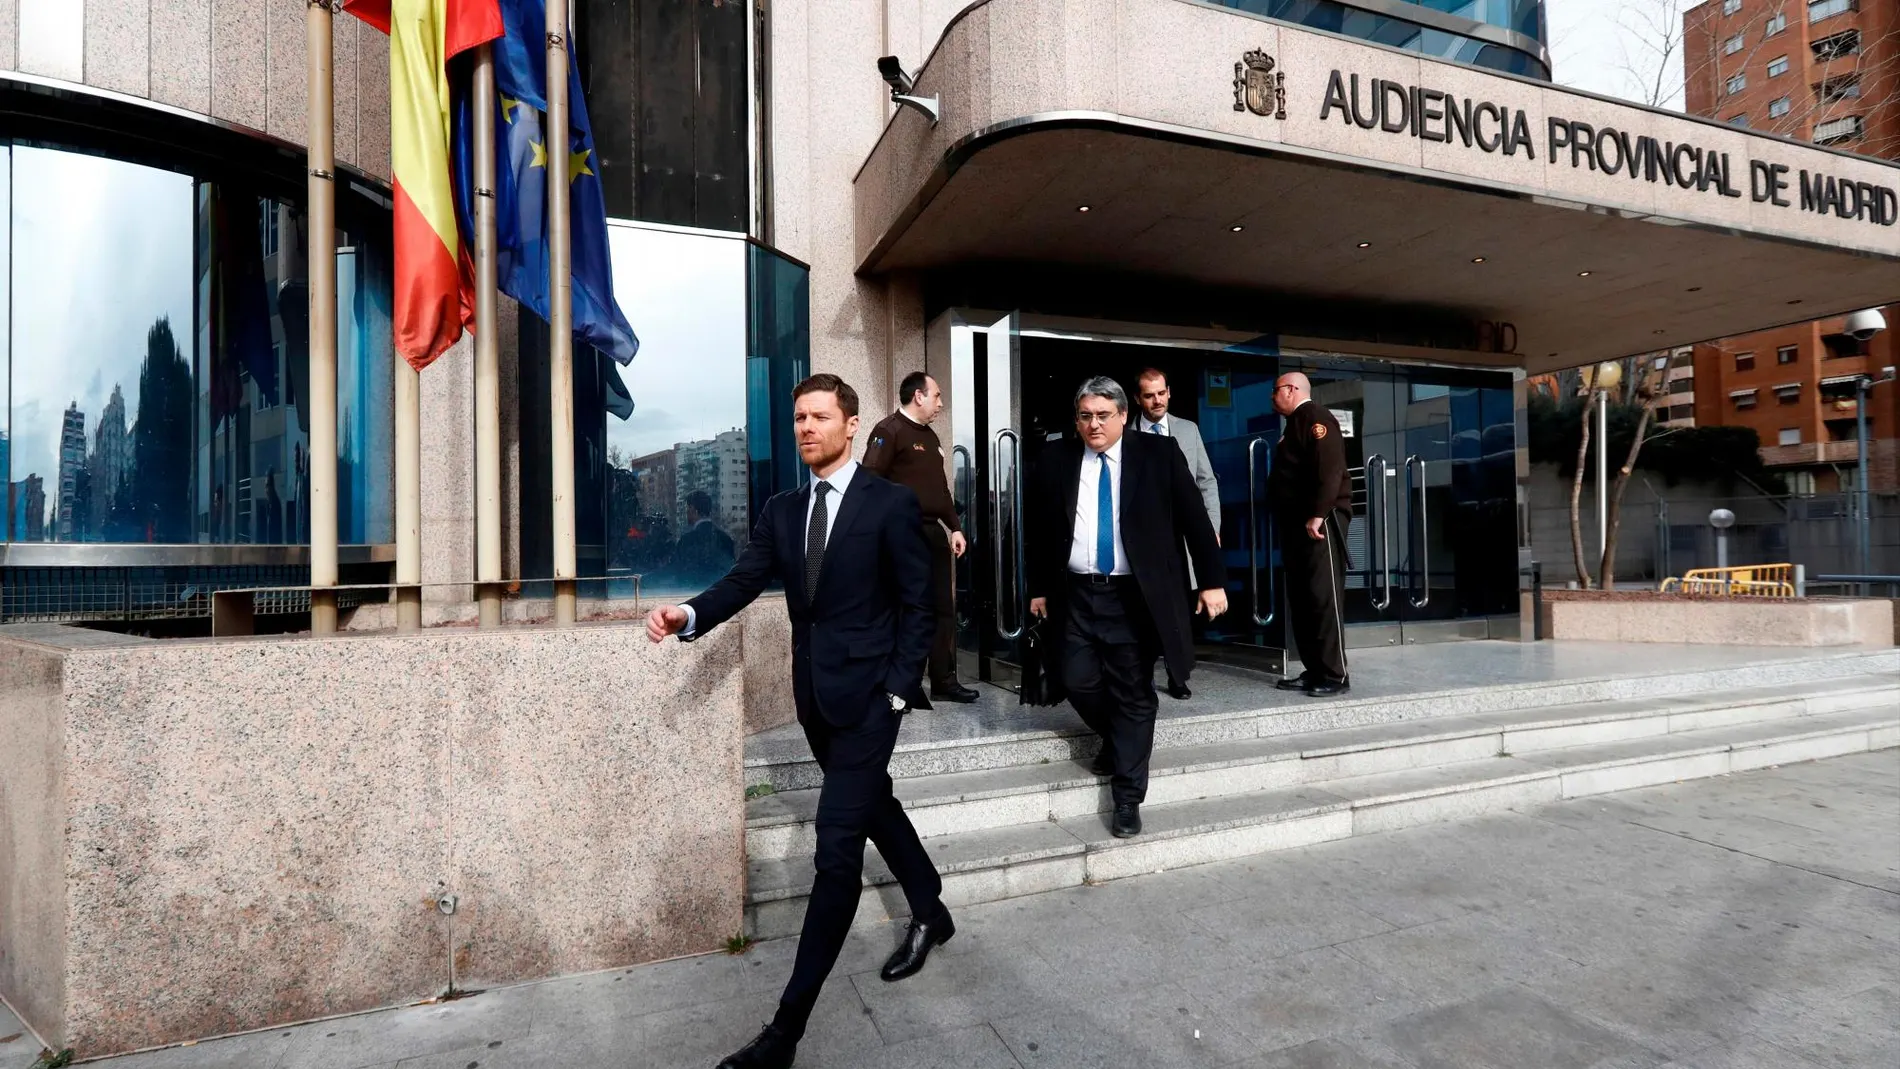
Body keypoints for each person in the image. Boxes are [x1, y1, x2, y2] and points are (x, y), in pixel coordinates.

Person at [646, 374, 951, 1069]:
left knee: (837, 845)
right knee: (875, 806)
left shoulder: (890, 503)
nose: (806, 427)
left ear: (850, 425)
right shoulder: (783, 510)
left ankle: (785, 1031)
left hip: (873, 699)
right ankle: (931, 908)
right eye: (798, 419)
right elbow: (744, 580)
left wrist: (899, 691)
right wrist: (687, 613)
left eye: (820, 416)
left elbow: (919, 602)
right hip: (815, 697)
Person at [1027, 376, 1227, 839]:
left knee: (1134, 692)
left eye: (1102, 415)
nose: (1093, 425)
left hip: (1134, 598)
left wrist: (1212, 582)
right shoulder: (1057, 458)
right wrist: (1038, 587)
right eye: (1084, 416)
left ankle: (1127, 797)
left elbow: (1196, 520)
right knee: (1075, 678)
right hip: (1076, 593)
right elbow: (1041, 531)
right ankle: (1122, 740)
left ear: (1122, 415)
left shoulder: (1157, 455)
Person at [863, 371, 978, 703]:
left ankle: (944, 680)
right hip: (901, 534)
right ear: (918, 396)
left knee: (943, 607)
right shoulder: (889, 430)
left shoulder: (930, 437)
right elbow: (870, 481)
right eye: (937, 396)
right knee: (905, 609)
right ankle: (901, 685)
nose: (941, 403)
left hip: (932, 534)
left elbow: (940, 489)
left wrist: (954, 526)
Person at [1134, 368, 1221, 701]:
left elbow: (1206, 481)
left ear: (1169, 392)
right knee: (1142, 609)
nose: (1156, 400)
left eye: (1161, 393)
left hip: (1182, 538)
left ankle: (1177, 675)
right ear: (1138, 399)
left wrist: (1210, 530)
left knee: (1178, 610)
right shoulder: (1127, 435)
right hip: (1143, 540)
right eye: (1148, 395)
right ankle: (1141, 675)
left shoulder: (1188, 429)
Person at [1267, 371, 1352, 697]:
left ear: (1291, 390)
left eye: (1276, 391)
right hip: (1297, 525)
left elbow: (1330, 468)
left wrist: (1318, 514)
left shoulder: (1316, 417)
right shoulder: (1295, 424)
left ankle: (1335, 675)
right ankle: (1315, 669)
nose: (1273, 397)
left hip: (1321, 525)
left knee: (1322, 597)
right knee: (1303, 601)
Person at [672, 489, 737, 589]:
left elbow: (674, 571)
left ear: (693, 509)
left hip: (691, 595)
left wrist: (643, 579)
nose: (686, 512)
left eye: (687, 508)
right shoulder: (726, 539)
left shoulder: (687, 541)